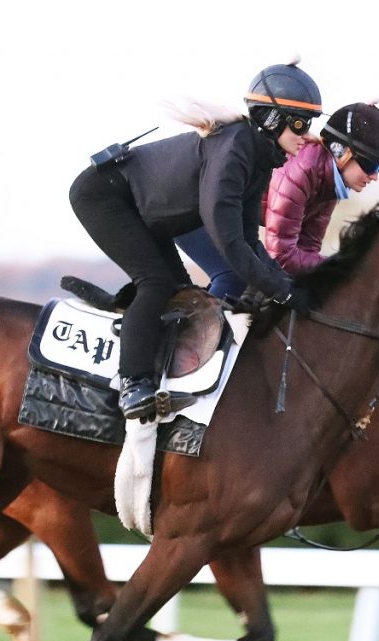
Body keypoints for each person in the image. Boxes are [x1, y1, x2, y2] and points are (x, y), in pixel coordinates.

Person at [68, 61, 322, 421]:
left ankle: (155, 367)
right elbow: (229, 242)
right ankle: (132, 383)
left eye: (308, 123)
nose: (306, 134)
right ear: (270, 119)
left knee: (179, 293)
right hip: (105, 196)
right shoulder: (234, 150)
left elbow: (249, 241)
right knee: (155, 284)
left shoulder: (257, 158)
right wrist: (283, 291)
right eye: (299, 122)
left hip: (144, 208)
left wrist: (286, 285)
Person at [178, 101, 379, 296]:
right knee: (233, 277)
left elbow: (307, 250)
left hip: (221, 213)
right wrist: (344, 268)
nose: (375, 176)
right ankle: (197, 341)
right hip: (190, 207)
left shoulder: (331, 184)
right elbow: (281, 255)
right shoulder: (303, 168)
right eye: (371, 165)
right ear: (342, 153)